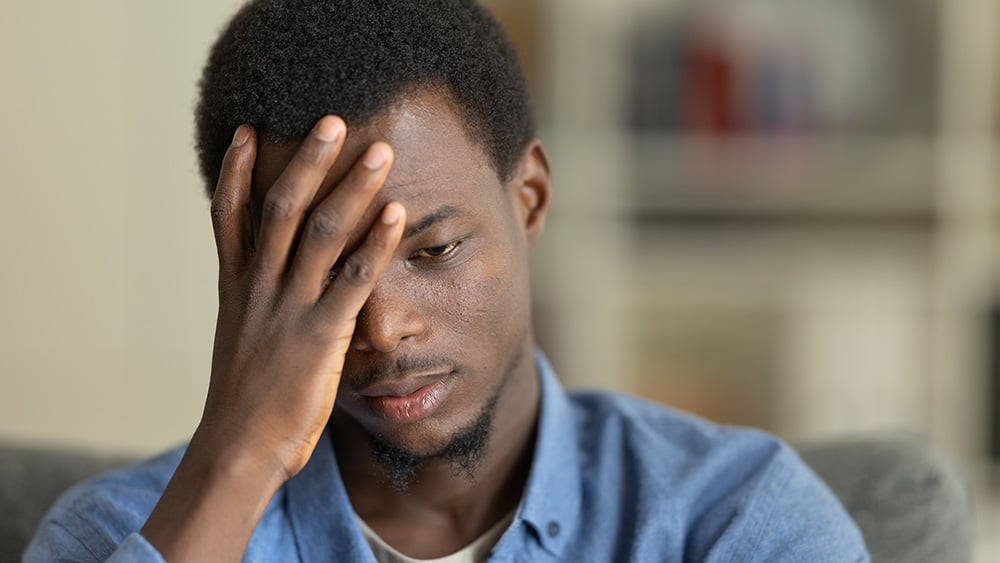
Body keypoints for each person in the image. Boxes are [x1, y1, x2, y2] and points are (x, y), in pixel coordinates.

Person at [25, 1, 869, 561]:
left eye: (433, 251)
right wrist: (240, 455)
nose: (384, 327)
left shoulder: (737, 519)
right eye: (325, 272)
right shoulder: (115, 533)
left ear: (530, 198)